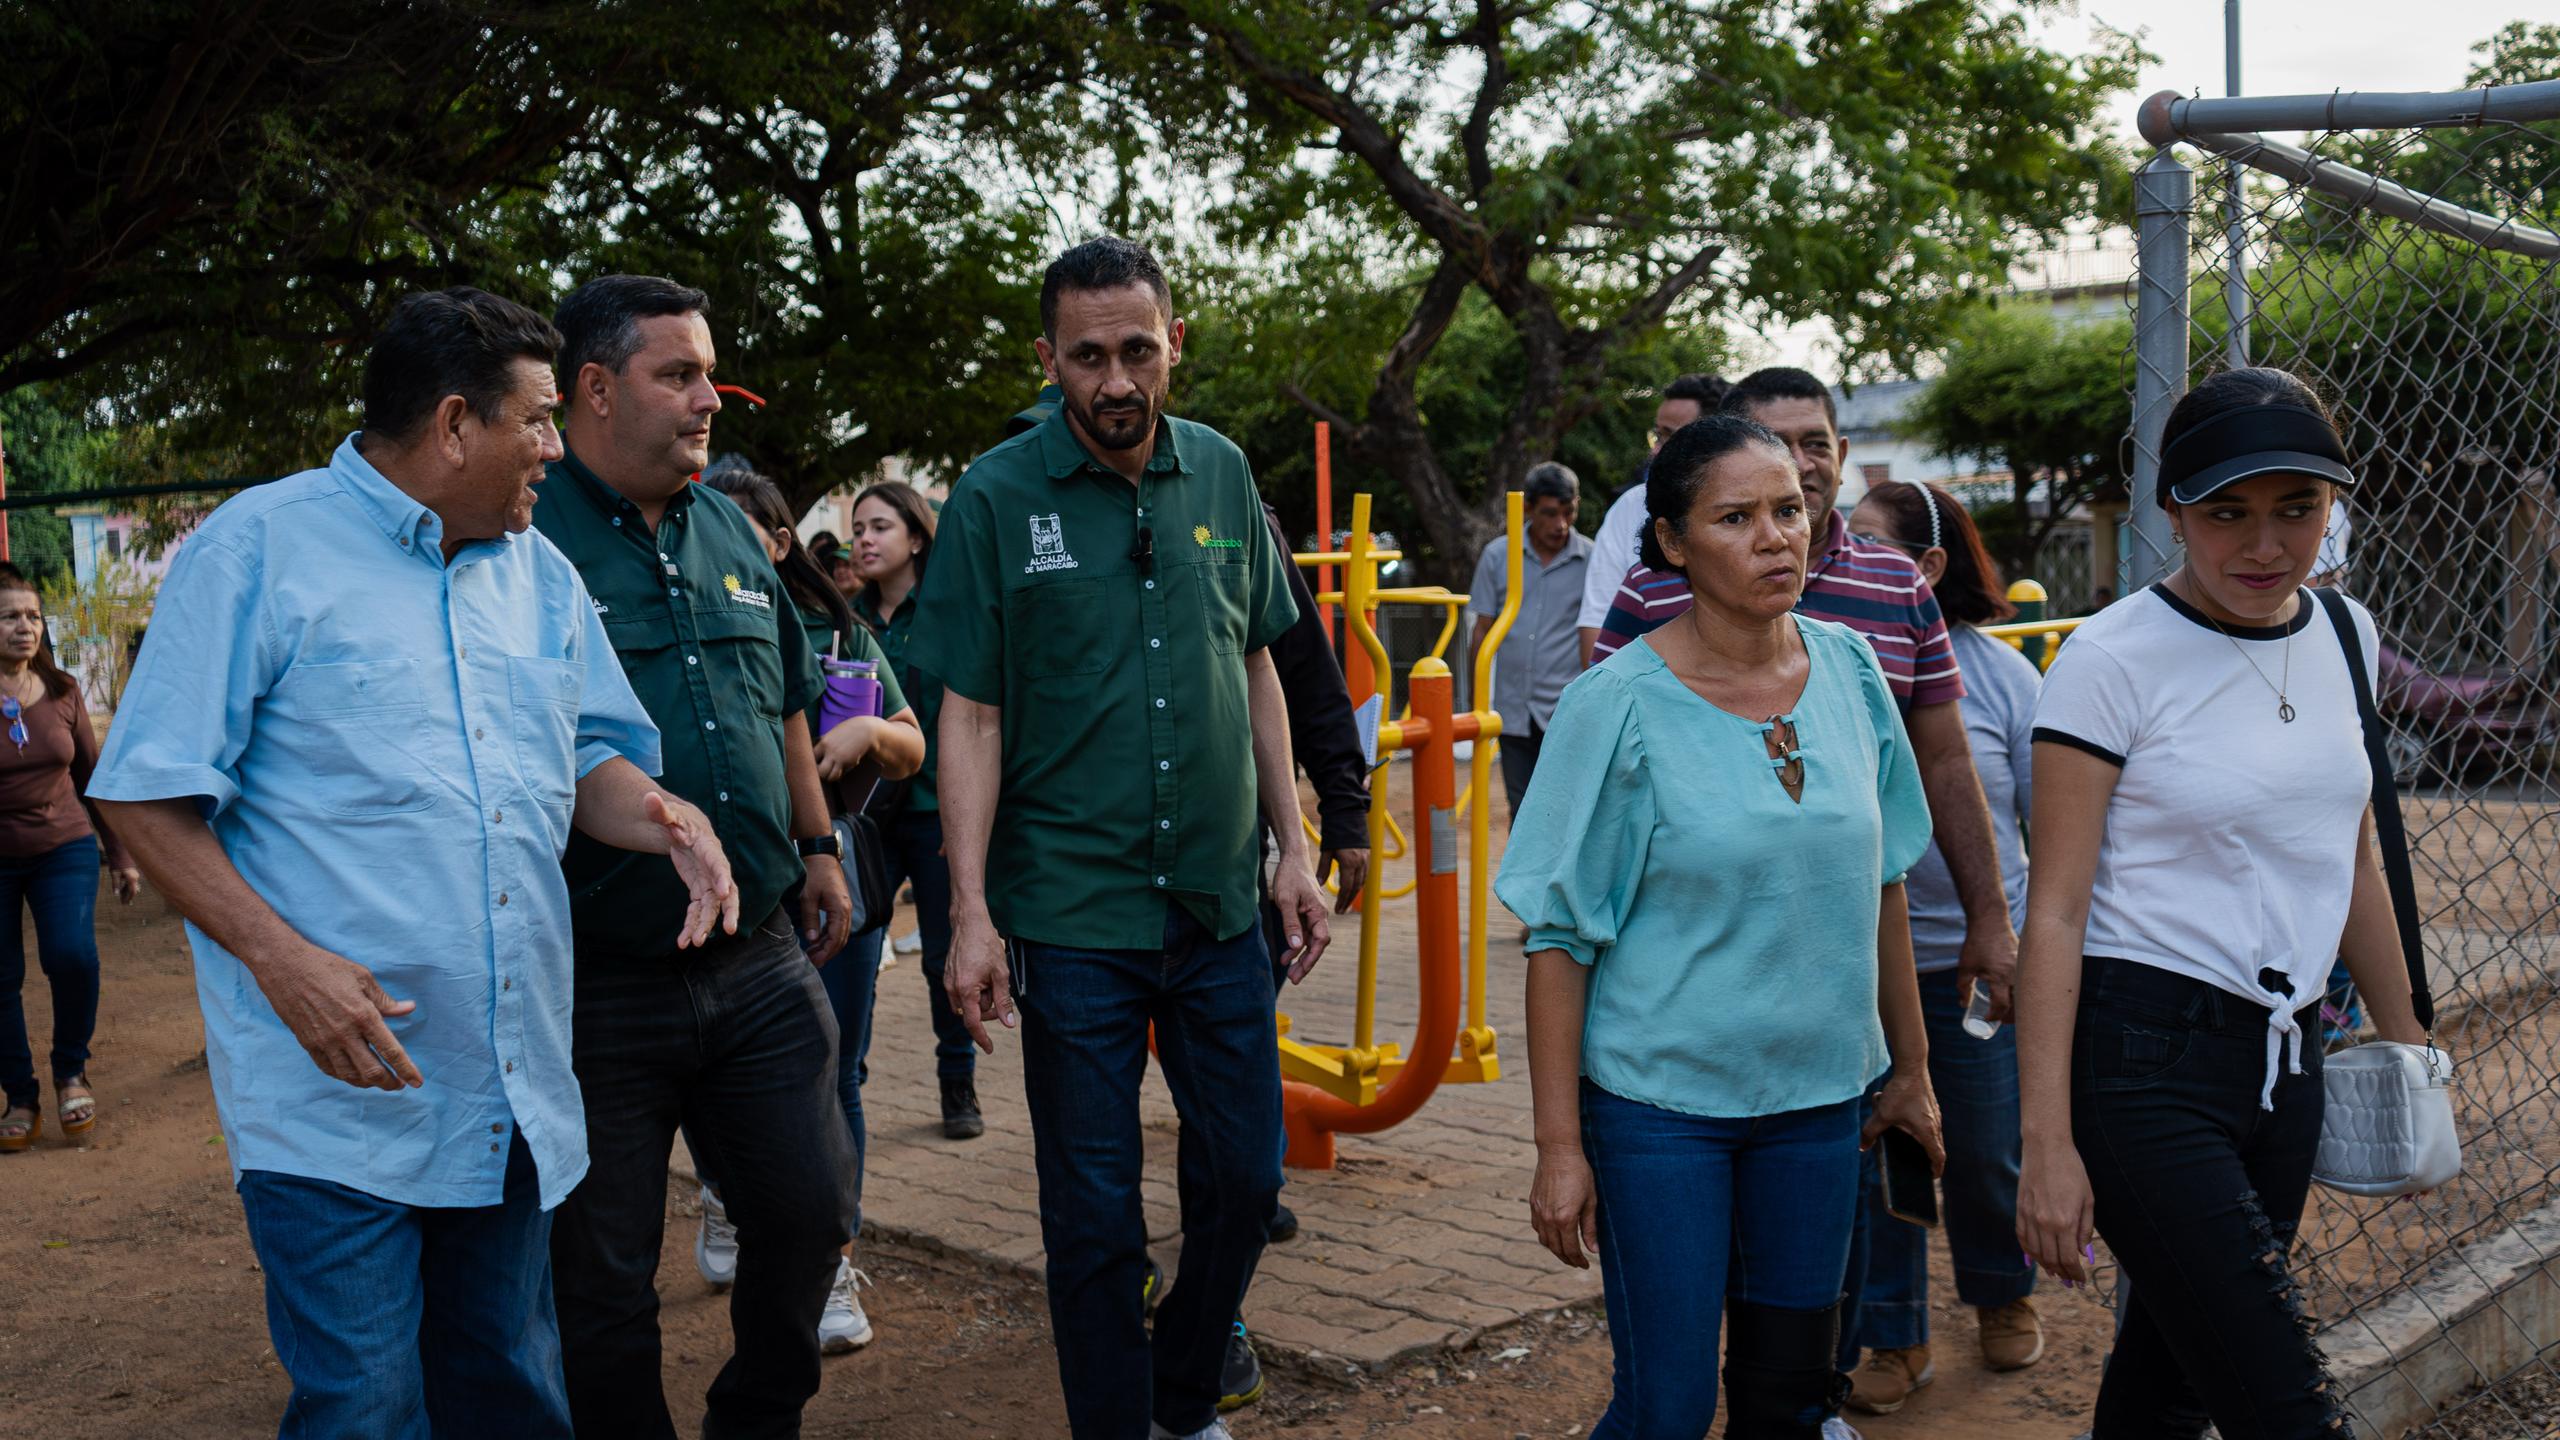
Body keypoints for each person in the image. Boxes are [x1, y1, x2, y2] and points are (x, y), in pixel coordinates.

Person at [87, 287, 735, 1438]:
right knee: (368, 1408)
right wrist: (284, 964)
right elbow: (145, 797)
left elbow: (587, 754)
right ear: (451, 426)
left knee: (509, 1393)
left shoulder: (537, 573)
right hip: (336, 1102)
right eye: (535, 420)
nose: (552, 447)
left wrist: (663, 815)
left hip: (508, 1090)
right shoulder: (257, 552)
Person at [911, 235, 1332, 1440]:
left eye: (1136, 350)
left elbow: (1255, 661)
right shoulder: (996, 496)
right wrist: (974, 914)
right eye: (1086, 355)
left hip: (1215, 903)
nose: (1114, 381)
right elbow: (972, 715)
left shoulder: (1221, 475)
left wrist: (1290, 848)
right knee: (1092, 1215)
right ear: (1048, 359)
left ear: (1174, 345)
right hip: (1072, 912)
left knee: (1247, 1183)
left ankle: (1185, 1392)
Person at [1502, 414, 1944, 1439]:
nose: (1774, 537)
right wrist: (1558, 1147)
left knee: (1788, 1399)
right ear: (1671, 543)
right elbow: (1560, 939)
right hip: (1661, 1113)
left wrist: (1909, 1070)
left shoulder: (1851, 672)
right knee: (1667, 1406)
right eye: (1735, 517)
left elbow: (1880, 880)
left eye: (1788, 510)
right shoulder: (1614, 704)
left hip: (1819, 1107)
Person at [2014, 367, 2430, 1439]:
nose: (2263, 545)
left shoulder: (2347, 637)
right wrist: (2046, 1145)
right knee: (2281, 1403)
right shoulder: (2107, 659)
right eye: (2226, 514)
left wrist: (2410, 1047)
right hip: (2140, 1063)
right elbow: (2052, 912)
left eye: (2296, 509)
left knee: (2175, 1374)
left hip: (2284, 1060)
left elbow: (2351, 867)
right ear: (2172, 514)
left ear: (2332, 508)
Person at [534, 274, 859, 1439]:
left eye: (709, 373)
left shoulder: (728, 522)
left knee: (812, 1214)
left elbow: (781, 705)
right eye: (678, 375)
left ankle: (755, 1420)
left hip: (758, 953)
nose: (707, 399)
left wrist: (818, 846)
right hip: (597, 977)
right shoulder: (525, 538)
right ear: (593, 388)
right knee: (602, 1277)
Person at [699, 464, 926, 1356]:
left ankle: (831, 1260)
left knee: (837, 1079)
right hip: (719, 905)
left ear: (779, 540)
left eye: (738, 528)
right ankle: (722, 1198)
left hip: (832, 896)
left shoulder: (840, 633)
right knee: (710, 1090)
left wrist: (869, 731)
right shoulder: (669, 633)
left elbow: (911, 745)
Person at [1836, 482, 2043, 1415]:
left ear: (1926, 567)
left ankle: (2002, 1290)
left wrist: (2010, 938)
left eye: (1870, 543)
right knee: (1888, 1152)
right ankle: (1895, 1331)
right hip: (1867, 962)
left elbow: (2051, 831)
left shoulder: (2005, 681)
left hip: (1967, 959)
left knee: (1989, 1146)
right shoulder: (1825, 658)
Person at [843, 478, 985, 1140]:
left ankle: (958, 1083)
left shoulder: (951, 611)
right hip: (867, 818)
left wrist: (972, 823)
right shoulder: (846, 619)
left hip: (934, 812)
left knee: (942, 958)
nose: (864, 540)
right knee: (854, 949)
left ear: (917, 537)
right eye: (858, 530)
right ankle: (849, 1077)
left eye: (879, 528)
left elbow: (975, 721)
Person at [0, 563, 138, 1153]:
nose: (24, 627)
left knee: (73, 955)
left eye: (32, 616)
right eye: (9, 616)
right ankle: (21, 1096)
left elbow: (91, 775)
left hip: (64, 844)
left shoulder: (63, 692)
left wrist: (121, 853)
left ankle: (69, 1071)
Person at [1468, 461, 1593, 818]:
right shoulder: (1497, 556)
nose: (1561, 524)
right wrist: (1478, 698)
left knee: (1568, 809)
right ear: (1528, 509)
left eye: (1569, 512)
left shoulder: (1591, 559)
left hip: (1567, 710)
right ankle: (1526, 877)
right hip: (1514, 709)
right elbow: (1482, 630)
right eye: (1550, 513)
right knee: (1521, 811)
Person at [1577, 373, 1727, 665]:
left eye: (1671, 436)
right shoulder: (1629, 509)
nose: (1656, 449)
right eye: (1657, 435)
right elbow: (1595, 625)